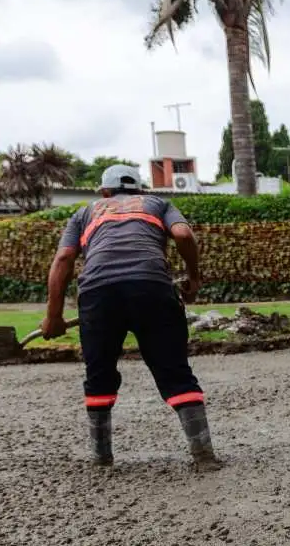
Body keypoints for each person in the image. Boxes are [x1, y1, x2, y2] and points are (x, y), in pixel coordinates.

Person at [41, 164, 219, 470]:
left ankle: (101, 458)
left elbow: (64, 259)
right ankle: (203, 457)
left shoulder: (85, 213)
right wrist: (193, 277)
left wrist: (53, 316)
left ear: (105, 192)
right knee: (174, 371)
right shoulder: (157, 204)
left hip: (98, 293)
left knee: (99, 375)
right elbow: (182, 233)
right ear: (140, 190)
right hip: (152, 288)